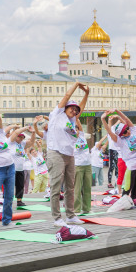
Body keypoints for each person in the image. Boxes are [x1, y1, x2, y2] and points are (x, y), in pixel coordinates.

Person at [47, 82, 87, 227]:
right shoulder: (56, 114)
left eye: (76, 110)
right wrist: (76, 84)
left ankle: (70, 215)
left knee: (70, 187)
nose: (75, 111)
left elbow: (81, 107)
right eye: (72, 108)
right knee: (56, 187)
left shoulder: (72, 120)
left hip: (69, 155)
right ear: (65, 108)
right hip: (56, 154)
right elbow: (67, 95)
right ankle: (57, 218)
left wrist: (86, 94)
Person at [104, 110, 136, 207]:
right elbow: (109, 131)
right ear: (121, 135)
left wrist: (117, 111)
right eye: (125, 132)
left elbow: (126, 119)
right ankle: (122, 204)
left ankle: (134, 203)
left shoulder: (133, 131)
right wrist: (103, 119)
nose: (128, 131)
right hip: (132, 168)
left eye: (127, 129)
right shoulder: (120, 141)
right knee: (128, 188)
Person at [5, 122, 35, 207]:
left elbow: (32, 142)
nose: (21, 138)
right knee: (10, 186)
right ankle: (7, 201)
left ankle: (19, 201)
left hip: (21, 168)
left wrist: (33, 132)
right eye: (20, 136)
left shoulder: (22, 144)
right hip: (11, 168)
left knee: (20, 185)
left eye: (23, 137)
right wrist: (25, 128)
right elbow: (15, 133)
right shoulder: (10, 142)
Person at [73, 130, 93, 216]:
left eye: (77, 129)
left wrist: (76, 116)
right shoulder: (70, 139)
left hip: (88, 164)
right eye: (74, 130)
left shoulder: (82, 136)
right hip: (78, 165)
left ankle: (86, 208)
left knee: (87, 188)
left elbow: (78, 123)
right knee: (77, 188)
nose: (76, 131)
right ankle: (76, 209)